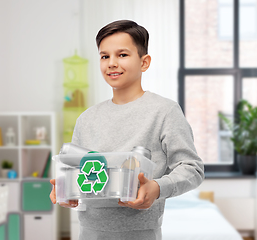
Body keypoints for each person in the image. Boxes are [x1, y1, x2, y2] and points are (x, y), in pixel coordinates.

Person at [50, 20, 204, 240]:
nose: (112, 63)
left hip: (140, 233)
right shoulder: (86, 119)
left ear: (144, 62)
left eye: (122, 55)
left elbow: (192, 168)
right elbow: (77, 171)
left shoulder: (164, 111)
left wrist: (157, 188)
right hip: (89, 232)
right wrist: (66, 189)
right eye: (105, 56)